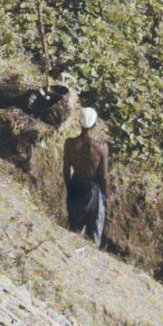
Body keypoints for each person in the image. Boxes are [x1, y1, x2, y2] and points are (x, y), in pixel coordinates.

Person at [62, 106, 110, 248]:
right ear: (94, 124)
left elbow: (66, 170)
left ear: (79, 122)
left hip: (76, 186)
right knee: (94, 232)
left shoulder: (70, 144)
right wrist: (107, 196)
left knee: (74, 228)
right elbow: (104, 176)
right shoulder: (101, 147)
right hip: (92, 190)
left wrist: (70, 189)